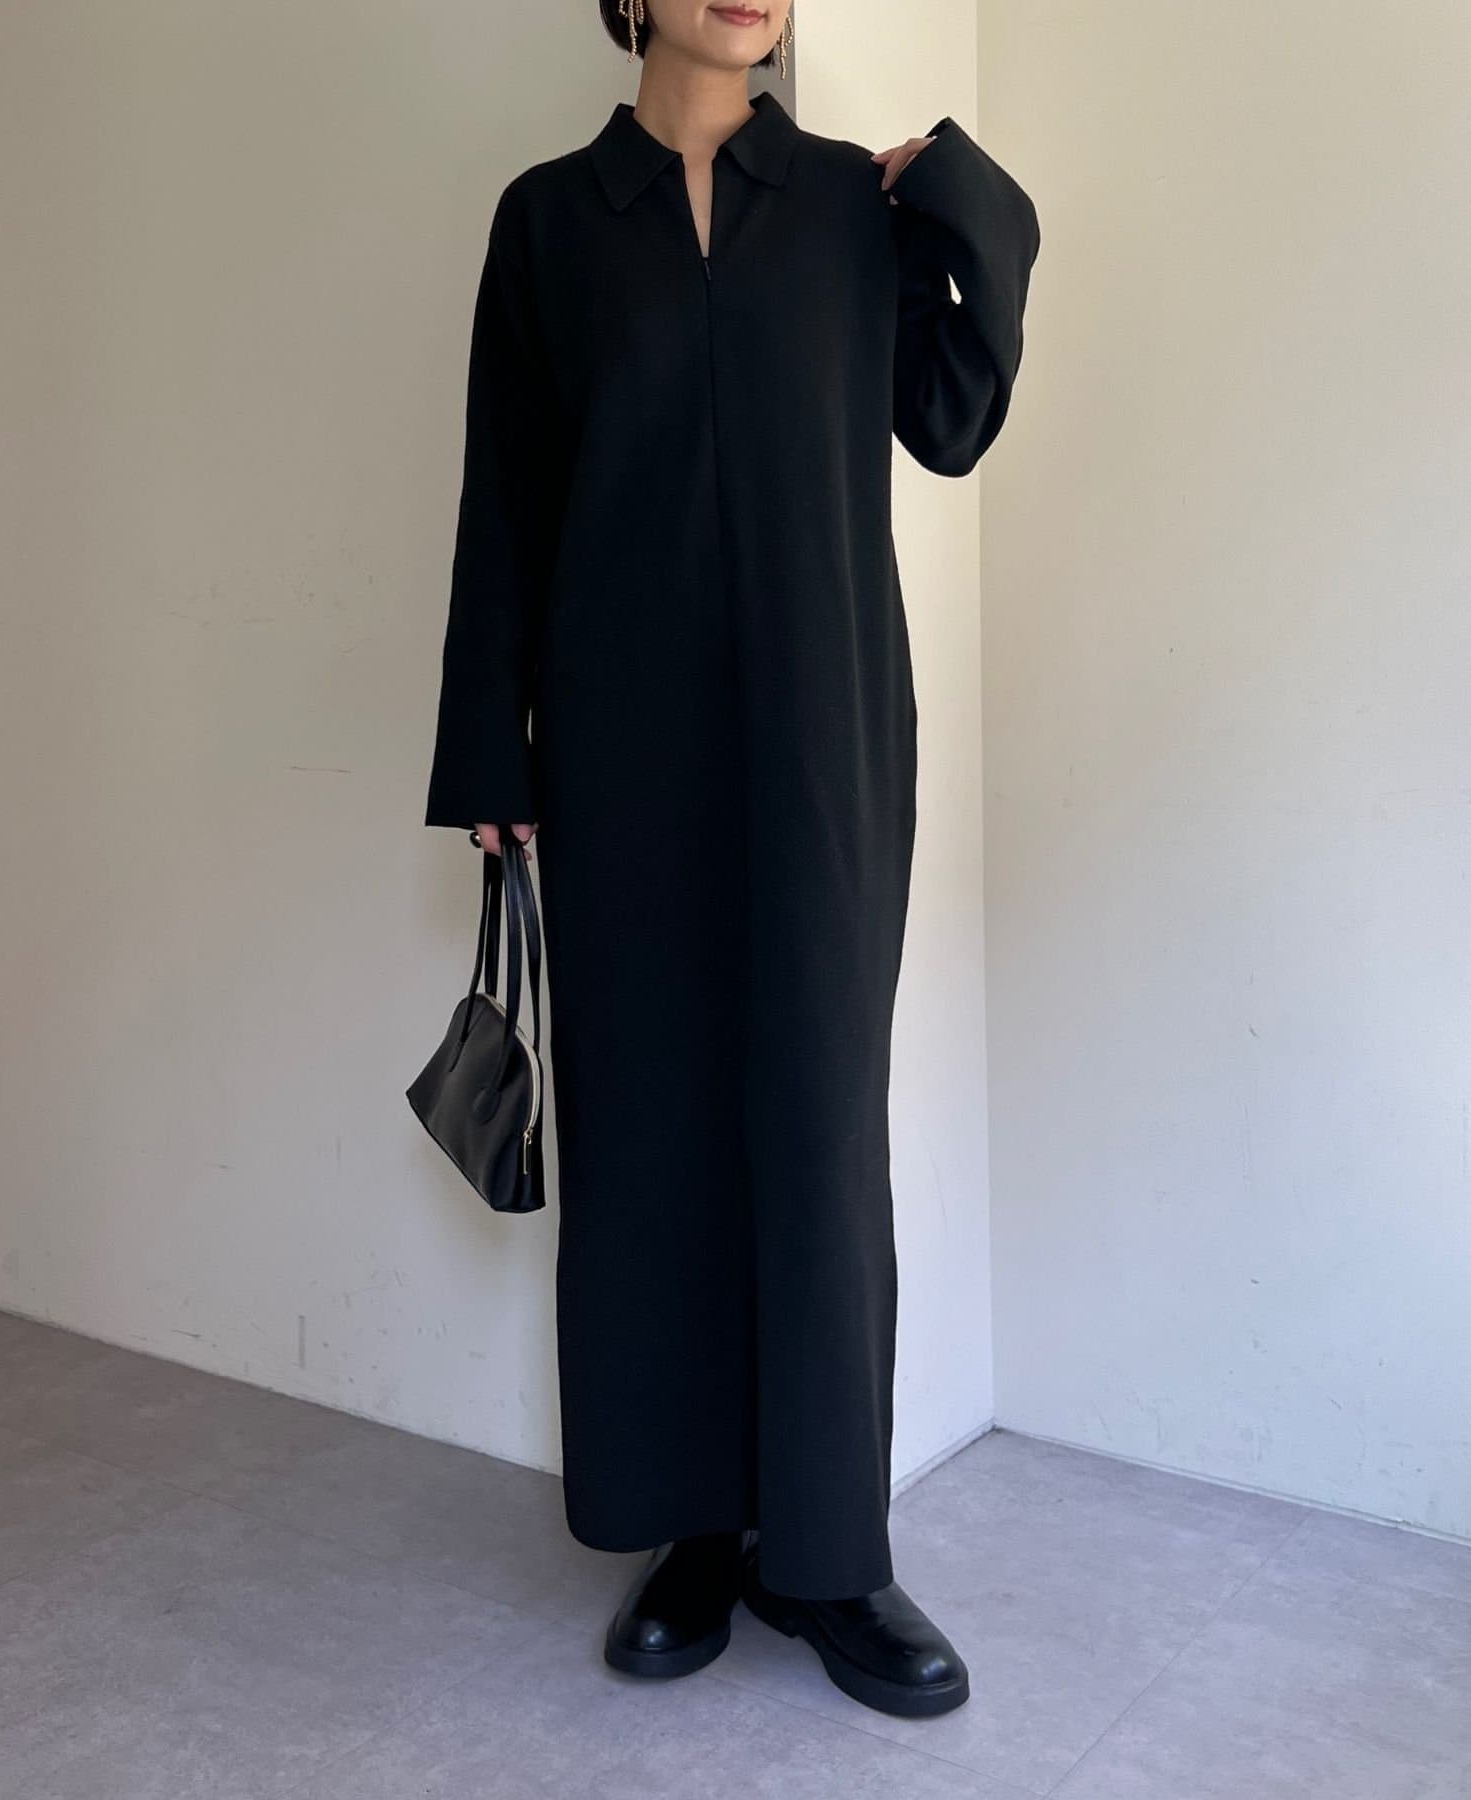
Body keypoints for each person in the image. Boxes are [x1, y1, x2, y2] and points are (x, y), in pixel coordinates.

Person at [423, 0, 1039, 1721]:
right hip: (619, 744)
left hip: (824, 738)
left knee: (819, 1123)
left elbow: (953, 416)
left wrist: (965, 195)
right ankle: (693, 1527)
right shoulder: (551, 222)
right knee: (651, 1123)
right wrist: (490, 755)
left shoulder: (846, 204)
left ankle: (831, 1554)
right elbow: (504, 497)